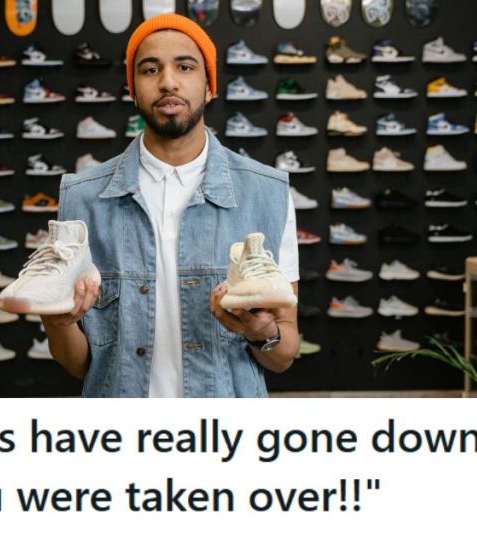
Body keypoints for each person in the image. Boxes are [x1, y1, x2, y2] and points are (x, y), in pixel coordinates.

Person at [43, 14, 299, 397]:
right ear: (132, 89)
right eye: (150, 69)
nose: (167, 81)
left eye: (185, 66)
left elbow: (284, 356)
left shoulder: (268, 193)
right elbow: (80, 365)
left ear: (210, 86)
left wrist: (262, 332)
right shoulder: (82, 198)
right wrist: (58, 324)